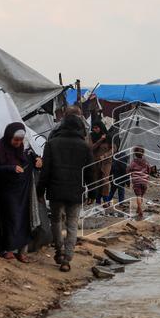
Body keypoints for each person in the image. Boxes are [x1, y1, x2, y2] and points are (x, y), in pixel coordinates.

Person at [38, 114, 93, 272]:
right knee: (72, 224)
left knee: (55, 220)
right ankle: (67, 259)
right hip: (76, 191)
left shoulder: (52, 144)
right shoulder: (85, 146)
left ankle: (59, 251)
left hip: (56, 189)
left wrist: (40, 191)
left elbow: (45, 171)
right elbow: (90, 172)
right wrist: (93, 193)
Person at [0, 122, 42, 262]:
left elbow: (33, 159)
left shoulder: (23, 148)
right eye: (15, 140)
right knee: (11, 218)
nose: (18, 143)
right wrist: (11, 168)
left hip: (23, 190)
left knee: (24, 218)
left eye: (20, 140)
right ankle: (8, 249)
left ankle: (22, 251)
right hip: (7, 190)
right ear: (9, 137)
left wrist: (38, 161)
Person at [90, 122, 114, 206]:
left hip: (106, 162)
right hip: (96, 162)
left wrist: (105, 155)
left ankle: (106, 200)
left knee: (105, 180)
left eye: (97, 128)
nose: (95, 130)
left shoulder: (109, 137)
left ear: (101, 128)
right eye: (94, 128)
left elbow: (113, 149)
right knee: (97, 181)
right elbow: (91, 148)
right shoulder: (92, 136)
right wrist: (100, 140)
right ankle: (98, 200)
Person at [129, 146, 151, 219]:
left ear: (135, 154)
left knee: (138, 196)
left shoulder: (133, 162)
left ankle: (140, 210)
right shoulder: (146, 162)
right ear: (143, 153)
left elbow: (129, 169)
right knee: (141, 196)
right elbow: (149, 170)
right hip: (144, 181)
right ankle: (138, 209)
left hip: (136, 181)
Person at [110, 149, 129, 214]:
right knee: (121, 192)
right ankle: (121, 203)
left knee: (112, 191)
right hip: (121, 180)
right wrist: (128, 182)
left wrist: (110, 179)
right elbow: (126, 174)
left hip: (114, 180)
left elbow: (111, 172)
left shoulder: (114, 162)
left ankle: (107, 202)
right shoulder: (124, 165)